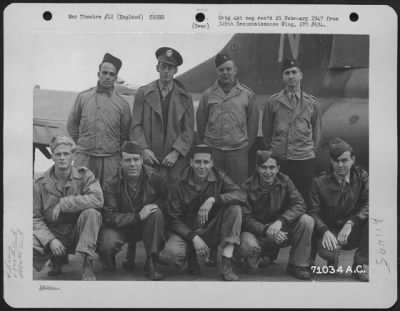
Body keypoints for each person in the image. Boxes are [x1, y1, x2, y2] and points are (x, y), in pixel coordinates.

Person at [160, 145, 246, 281]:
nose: (202, 166)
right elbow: (173, 218)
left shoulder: (220, 176)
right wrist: (194, 238)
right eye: (198, 162)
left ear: (211, 163)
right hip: (186, 231)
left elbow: (241, 195)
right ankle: (190, 255)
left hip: (211, 228)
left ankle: (226, 263)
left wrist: (214, 199)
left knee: (235, 207)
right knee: (171, 255)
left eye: (206, 162)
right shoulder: (178, 182)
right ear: (191, 162)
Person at [33, 135, 103, 280]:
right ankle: (56, 258)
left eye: (66, 154)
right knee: (26, 244)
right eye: (58, 154)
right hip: (54, 232)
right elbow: (34, 218)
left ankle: (87, 263)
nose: (62, 158)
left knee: (92, 213)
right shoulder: (39, 183)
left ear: (73, 156)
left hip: (77, 232)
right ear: (52, 156)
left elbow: (98, 199)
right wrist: (50, 240)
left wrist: (64, 204)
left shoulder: (85, 176)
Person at [239, 151, 314, 280]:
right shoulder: (246, 186)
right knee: (248, 250)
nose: (268, 172)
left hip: (280, 229)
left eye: (272, 167)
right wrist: (265, 229)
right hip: (257, 232)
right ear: (257, 168)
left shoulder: (285, 180)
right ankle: (250, 258)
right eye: (264, 167)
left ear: (278, 168)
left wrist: (281, 221)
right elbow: (246, 219)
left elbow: (300, 204)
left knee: (307, 220)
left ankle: (298, 265)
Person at [97, 142, 168, 280]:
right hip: (120, 227)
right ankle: (108, 257)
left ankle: (151, 261)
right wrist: (138, 216)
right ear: (121, 162)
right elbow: (109, 216)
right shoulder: (111, 182)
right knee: (107, 244)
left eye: (136, 159)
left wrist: (152, 211)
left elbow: (165, 201)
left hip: (145, 226)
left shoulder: (154, 177)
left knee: (157, 212)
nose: (132, 164)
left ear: (142, 160)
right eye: (128, 160)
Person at [130, 47, 194, 185]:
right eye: (163, 66)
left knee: (172, 197)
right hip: (149, 159)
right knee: (148, 196)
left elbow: (188, 131)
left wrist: (176, 153)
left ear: (175, 70)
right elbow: (136, 125)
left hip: (173, 161)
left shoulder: (185, 97)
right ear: (157, 68)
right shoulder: (143, 93)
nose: (166, 71)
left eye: (170, 68)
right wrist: (144, 150)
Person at [262, 58, 321, 207]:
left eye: (294, 72)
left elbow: (317, 132)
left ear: (301, 75)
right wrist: (275, 151)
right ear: (283, 77)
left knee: (304, 198)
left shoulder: (312, 103)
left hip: (304, 160)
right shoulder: (273, 102)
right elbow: (267, 132)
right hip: (282, 159)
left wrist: (308, 151)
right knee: (280, 198)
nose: (291, 76)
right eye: (287, 73)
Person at [309, 137, 369, 282]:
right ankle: (330, 259)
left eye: (344, 160)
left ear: (353, 160)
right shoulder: (319, 182)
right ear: (331, 161)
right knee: (328, 252)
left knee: (374, 223)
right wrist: (324, 230)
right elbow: (312, 212)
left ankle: (359, 266)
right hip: (329, 231)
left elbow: (369, 203)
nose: (340, 165)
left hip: (351, 229)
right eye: (336, 160)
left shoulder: (362, 177)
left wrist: (351, 222)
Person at [67, 53, 131, 186]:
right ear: (98, 74)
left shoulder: (122, 104)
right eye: (104, 72)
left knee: (109, 197)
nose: (107, 76)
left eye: (111, 74)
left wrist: (112, 149)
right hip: (85, 157)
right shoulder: (83, 98)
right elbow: (72, 125)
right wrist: (83, 143)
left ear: (115, 78)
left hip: (110, 160)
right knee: (79, 192)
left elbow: (125, 133)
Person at [196, 53, 259, 186]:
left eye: (228, 69)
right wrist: (208, 145)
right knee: (211, 187)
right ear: (217, 72)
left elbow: (252, 126)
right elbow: (201, 123)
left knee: (238, 189)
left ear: (235, 70)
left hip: (238, 152)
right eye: (221, 70)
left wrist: (243, 148)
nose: (225, 73)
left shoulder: (247, 94)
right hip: (214, 151)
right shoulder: (208, 94)